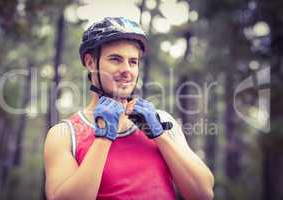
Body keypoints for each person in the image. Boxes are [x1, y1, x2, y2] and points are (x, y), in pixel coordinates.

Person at [43, 17, 214, 200]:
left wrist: (160, 135)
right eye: (116, 59)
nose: (127, 70)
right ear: (91, 63)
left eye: (133, 62)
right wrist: (103, 139)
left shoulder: (162, 121)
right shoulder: (64, 134)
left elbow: (203, 194)